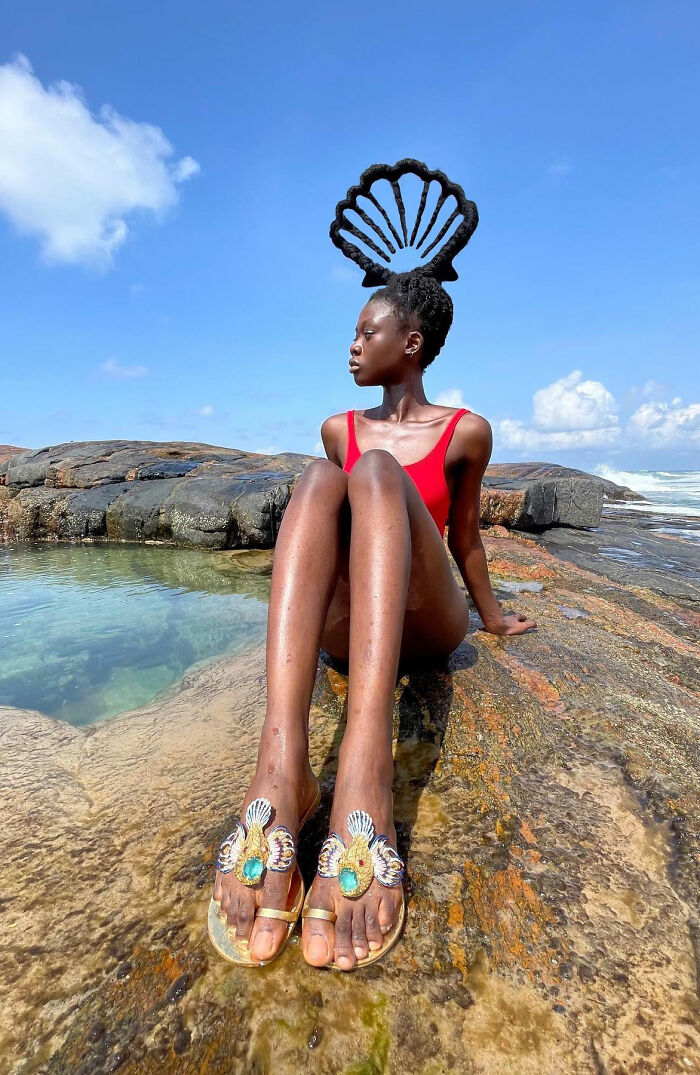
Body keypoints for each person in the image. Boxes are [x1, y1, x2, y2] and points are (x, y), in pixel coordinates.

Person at [209, 166, 537, 973]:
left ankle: (364, 768)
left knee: (380, 476)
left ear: (411, 342)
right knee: (324, 478)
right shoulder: (335, 428)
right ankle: (282, 770)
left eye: (366, 331)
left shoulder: (465, 431)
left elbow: (463, 538)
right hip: (348, 628)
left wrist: (493, 617)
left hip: (423, 623)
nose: (352, 345)